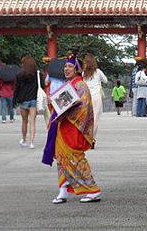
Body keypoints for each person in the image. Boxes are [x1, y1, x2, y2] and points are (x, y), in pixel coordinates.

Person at [42, 55, 101, 204]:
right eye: (65, 67)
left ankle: (92, 189)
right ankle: (63, 190)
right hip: (63, 126)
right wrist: (52, 102)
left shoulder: (80, 85)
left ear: (77, 69)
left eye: (70, 67)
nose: (66, 69)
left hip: (73, 127)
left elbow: (84, 109)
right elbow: (60, 104)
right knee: (61, 158)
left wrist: (65, 108)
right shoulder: (69, 84)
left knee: (75, 158)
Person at [13, 56, 44, 149]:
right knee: (32, 122)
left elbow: (17, 89)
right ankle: (31, 143)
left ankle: (24, 140)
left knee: (24, 121)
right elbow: (42, 86)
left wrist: (14, 100)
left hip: (23, 100)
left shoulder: (19, 75)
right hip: (34, 100)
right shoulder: (37, 74)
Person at [82, 54, 108, 140]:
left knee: (86, 118)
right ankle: (92, 139)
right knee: (95, 118)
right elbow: (106, 80)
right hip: (96, 96)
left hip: (86, 96)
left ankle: (85, 137)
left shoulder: (83, 73)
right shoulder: (98, 72)